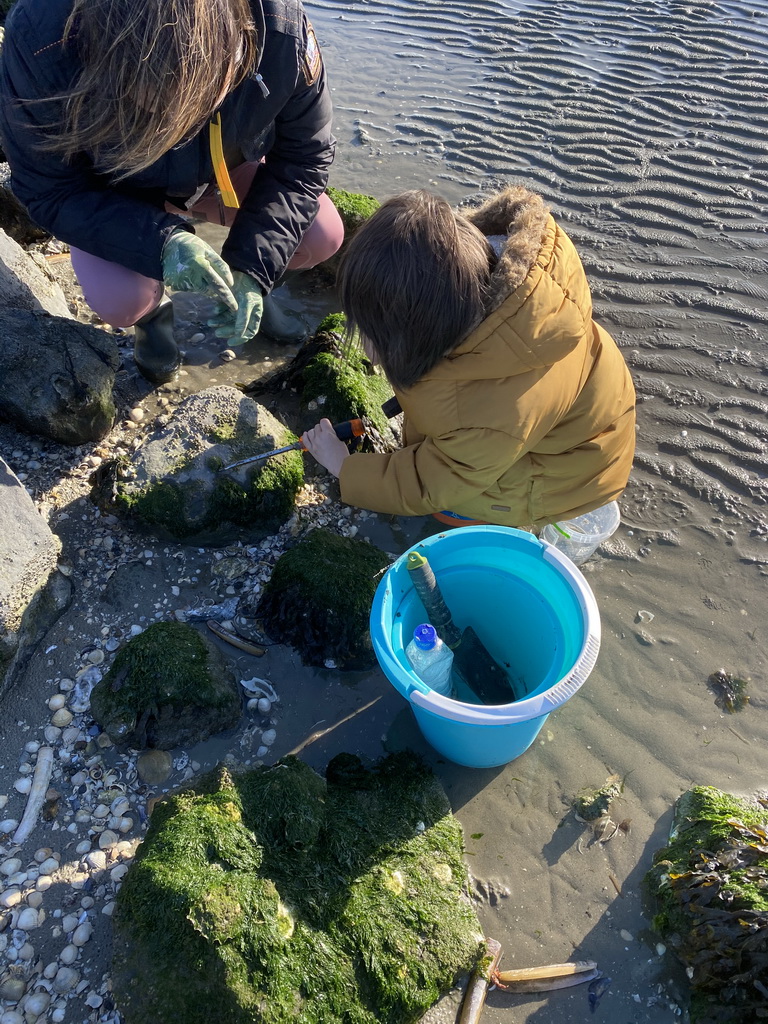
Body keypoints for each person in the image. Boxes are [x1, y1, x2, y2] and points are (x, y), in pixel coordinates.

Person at [0, 0, 344, 383]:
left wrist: (254, 267)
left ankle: (253, 292)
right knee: (121, 299)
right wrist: (160, 244)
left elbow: (305, 159)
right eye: (152, 106)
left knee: (322, 235)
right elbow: (48, 189)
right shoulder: (41, 39)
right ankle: (152, 318)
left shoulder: (281, 27)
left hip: (224, 171)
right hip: (119, 187)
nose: (178, 129)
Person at [301, 186, 636, 530]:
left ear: (418, 337)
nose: (367, 345)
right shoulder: (500, 294)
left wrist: (344, 467)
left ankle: (492, 519)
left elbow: (430, 485)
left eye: (372, 334)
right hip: (579, 430)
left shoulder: (489, 413)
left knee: (452, 506)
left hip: (572, 480)